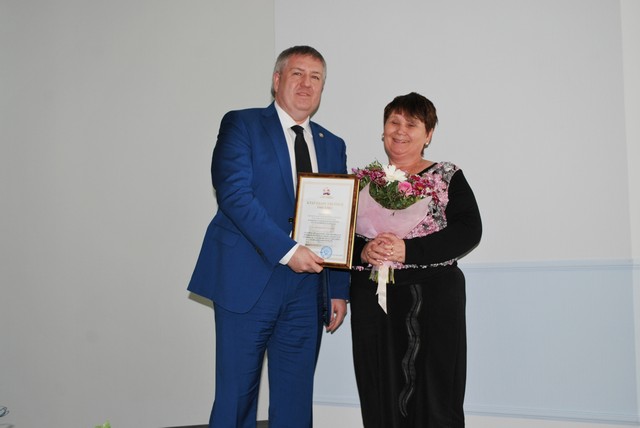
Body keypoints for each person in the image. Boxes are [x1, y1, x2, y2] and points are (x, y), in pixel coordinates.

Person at [188, 46, 349, 428]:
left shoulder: (332, 144)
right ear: (277, 80)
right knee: (236, 398)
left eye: (316, 77)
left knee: (295, 400)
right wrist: (288, 250)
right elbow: (233, 194)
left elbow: (339, 218)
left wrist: (338, 289)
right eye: (297, 74)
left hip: (307, 289)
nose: (306, 84)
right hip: (247, 280)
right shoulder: (242, 124)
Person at [350, 92, 482, 427]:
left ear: (429, 134)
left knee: (435, 389)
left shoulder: (447, 175)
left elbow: (469, 230)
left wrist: (408, 251)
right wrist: (362, 251)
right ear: (383, 130)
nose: (400, 130)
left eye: (412, 124)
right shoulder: (363, 182)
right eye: (393, 122)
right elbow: (338, 237)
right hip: (374, 299)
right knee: (379, 385)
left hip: (434, 296)